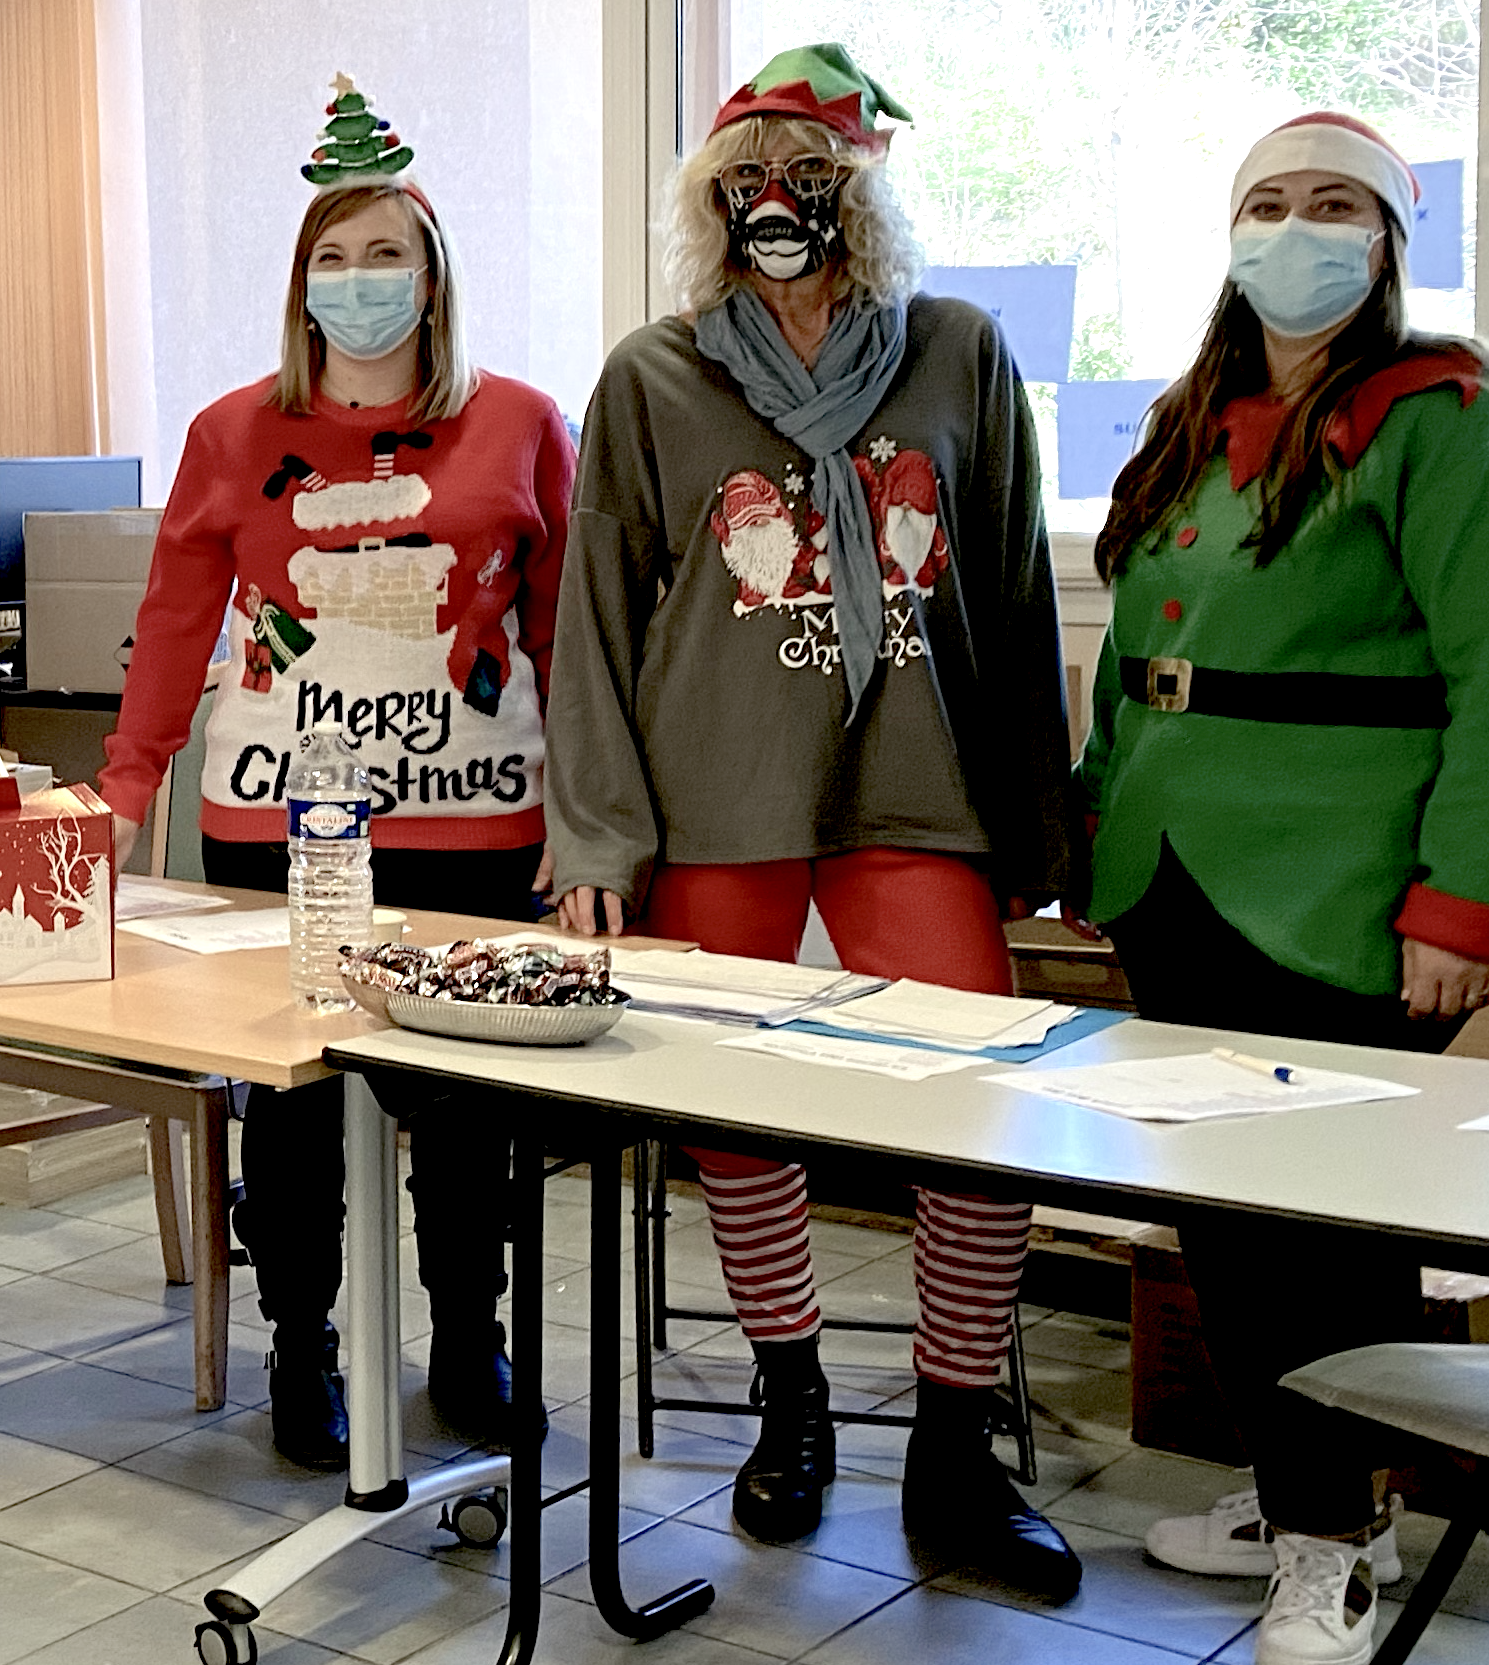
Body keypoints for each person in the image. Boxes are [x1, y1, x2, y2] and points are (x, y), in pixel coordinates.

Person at [543, 44, 1084, 1597]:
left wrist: (1040, 827)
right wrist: (596, 837)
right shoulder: (655, 373)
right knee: (737, 1112)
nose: (779, 208)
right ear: (711, 206)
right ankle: (792, 1398)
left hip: (914, 788)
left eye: (812, 179)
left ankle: (953, 1438)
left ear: (864, 194)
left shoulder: (958, 350)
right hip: (716, 784)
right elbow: (597, 615)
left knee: (982, 1108)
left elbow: (1009, 591)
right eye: (746, 185)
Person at [96, 74, 573, 1469]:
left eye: (388, 256)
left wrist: (596, 825)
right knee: (295, 1111)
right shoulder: (231, 435)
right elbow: (179, 621)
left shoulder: (526, 421)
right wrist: (129, 785)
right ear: (301, 285)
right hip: (287, 823)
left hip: (482, 822)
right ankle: (299, 1349)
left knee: (469, 1110)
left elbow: (565, 634)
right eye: (334, 259)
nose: (361, 284)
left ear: (435, 277)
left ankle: (466, 1340)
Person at [1080, 113, 1489, 1665]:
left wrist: (1463, 906)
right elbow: (1137, 654)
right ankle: (1295, 1488)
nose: (1296, 231)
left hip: (1340, 889)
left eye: (1335, 207)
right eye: (1267, 203)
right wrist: (1090, 817)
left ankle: (1334, 1543)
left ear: (1389, 242)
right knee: (1230, 1225)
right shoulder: (1199, 415)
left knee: (1327, 1229)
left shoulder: (1437, 417)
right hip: (1170, 876)